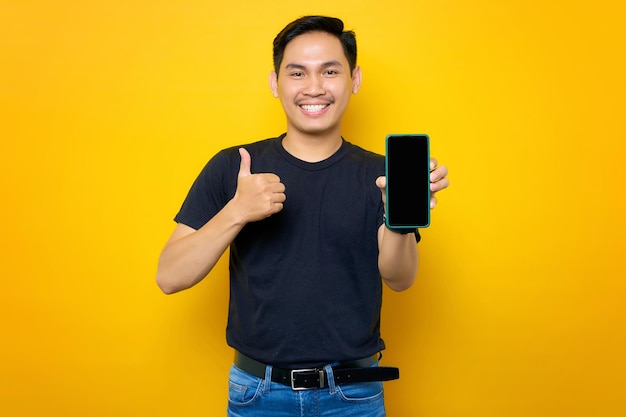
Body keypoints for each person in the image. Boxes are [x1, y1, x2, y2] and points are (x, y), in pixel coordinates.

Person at [156, 15, 450, 417]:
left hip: (354, 397)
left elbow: (400, 279)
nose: (314, 88)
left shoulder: (381, 175)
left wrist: (398, 218)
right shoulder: (234, 166)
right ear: (275, 83)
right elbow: (170, 276)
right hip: (257, 394)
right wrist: (236, 211)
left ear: (355, 79)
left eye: (330, 71)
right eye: (298, 73)